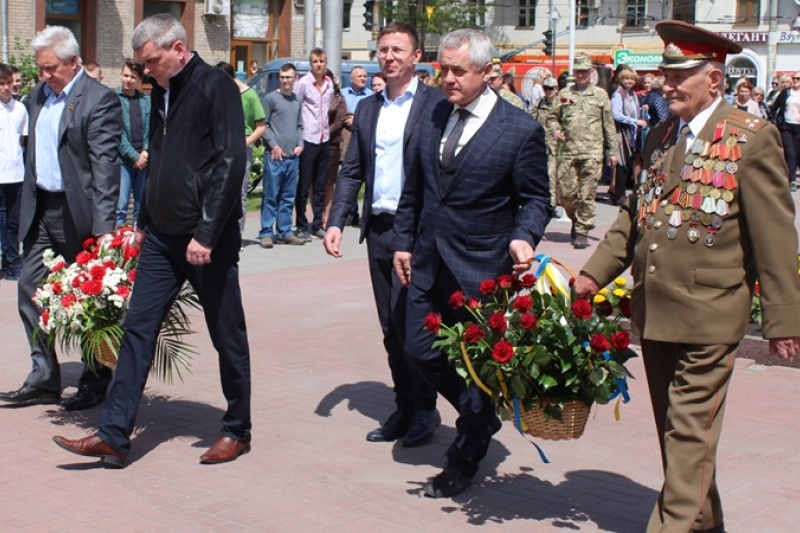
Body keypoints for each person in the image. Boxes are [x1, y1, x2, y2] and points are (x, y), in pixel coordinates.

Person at [574, 21, 800, 533]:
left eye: (680, 76)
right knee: (677, 438)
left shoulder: (750, 138)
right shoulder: (660, 135)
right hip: (656, 311)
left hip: (710, 316)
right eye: (665, 76)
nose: (667, 85)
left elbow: (776, 237)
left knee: (689, 434)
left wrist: (784, 320)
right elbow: (634, 218)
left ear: (715, 80)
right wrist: (592, 276)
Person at [53, 14, 251, 467]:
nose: (146, 71)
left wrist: (207, 231)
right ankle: (114, 436)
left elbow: (230, 164)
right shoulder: (161, 90)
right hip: (162, 238)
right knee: (138, 331)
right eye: (142, 64)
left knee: (227, 334)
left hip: (207, 241)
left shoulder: (213, 88)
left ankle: (237, 428)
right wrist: (143, 221)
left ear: (179, 48)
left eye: (152, 61)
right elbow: (156, 162)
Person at [391, 28, 551, 498]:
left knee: (478, 365)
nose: (448, 79)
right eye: (443, 69)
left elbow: (535, 199)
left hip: (482, 268)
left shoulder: (520, 130)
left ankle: (467, 451)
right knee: (417, 347)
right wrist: (403, 241)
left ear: (488, 72)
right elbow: (414, 187)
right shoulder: (434, 115)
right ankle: (477, 411)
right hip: (426, 261)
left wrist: (523, 238)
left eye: (459, 71)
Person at [324, 21, 442, 449]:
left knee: (414, 327)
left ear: (416, 57)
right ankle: (405, 406)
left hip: (419, 235)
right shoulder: (370, 108)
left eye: (397, 50)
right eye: (383, 50)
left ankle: (426, 408)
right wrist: (337, 219)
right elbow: (353, 169)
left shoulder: (435, 106)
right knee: (391, 327)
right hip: (379, 230)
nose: (388, 56)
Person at [0, 26, 122, 410]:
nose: (44, 75)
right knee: (29, 290)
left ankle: (96, 377)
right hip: (42, 212)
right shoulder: (38, 96)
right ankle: (44, 377)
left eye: (51, 68)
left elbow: (105, 168)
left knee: (88, 299)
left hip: (80, 216)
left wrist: (104, 229)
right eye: (40, 69)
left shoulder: (100, 100)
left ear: (73, 62)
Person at [547, 53, 618, 249]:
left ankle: (582, 231)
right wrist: (555, 130)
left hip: (592, 152)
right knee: (566, 194)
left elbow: (609, 125)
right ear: (574, 73)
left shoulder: (600, 95)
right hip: (569, 151)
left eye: (585, 71)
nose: (581, 75)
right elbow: (552, 118)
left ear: (591, 72)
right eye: (578, 71)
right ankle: (575, 218)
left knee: (587, 193)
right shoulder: (565, 95)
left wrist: (613, 151)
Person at [214, 61, 266, 237]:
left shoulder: (249, 95)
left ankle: (238, 233)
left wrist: (245, 142)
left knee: (239, 193)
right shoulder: (221, 94)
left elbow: (261, 126)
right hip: (222, 145)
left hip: (242, 146)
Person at [259, 63, 305, 247]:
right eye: (282, 77)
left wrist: (300, 144)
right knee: (271, 196)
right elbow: (263, 126)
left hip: (292, 157)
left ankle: (285, 230)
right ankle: (266, 232)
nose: (285, 80)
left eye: (289, 77)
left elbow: (299, 126)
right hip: (274, 157)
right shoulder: (270, 99)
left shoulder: (297, 100)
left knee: (288, 197)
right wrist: (273, 145)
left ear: (295, 79)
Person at [294, 47, 333, 241]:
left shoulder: (329, 83)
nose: (319, 65)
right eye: (315, 62)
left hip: (323, 137)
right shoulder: (303, 83)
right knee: (304, 183)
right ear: (311, 64)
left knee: (320, 183)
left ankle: (317, 223)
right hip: (308, 137)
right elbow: (296, 106)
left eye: (322, 61)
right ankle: (301, 223)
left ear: (326, 63)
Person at [0, 63, 28, 281]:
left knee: (13, 221)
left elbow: (23, 139)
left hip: (16, 173)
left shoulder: (20, 109)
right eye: (1, 84)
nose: (6, 88)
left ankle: (12, 261)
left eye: (8, 83)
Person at [115, 59, 150, 227]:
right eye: (126, 75)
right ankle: (118, 248)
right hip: (124, 161)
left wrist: (145, 151)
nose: (128, 80)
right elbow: (117, 133)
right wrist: (134, 156)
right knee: (120, 207)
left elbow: (152, 128)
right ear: (121, 75)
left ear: (139, 79)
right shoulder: (114, 99)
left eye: (133, 77)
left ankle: (136, 247)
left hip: (143, 160)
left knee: (140, 205)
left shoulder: (145, 100)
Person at [610, 67, 648, 205]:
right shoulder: (618, 94)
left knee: (628, 162)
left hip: (631, 133)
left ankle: (618, 193)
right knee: (621, 164)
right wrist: (635, 121)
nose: (629, 81)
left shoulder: (632, 94)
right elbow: (616, 114)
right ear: (621, 79)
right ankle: (618, 195)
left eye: (632, 79)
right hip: (621, 132)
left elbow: (634, 112)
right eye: (627, 78)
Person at [341, 66, 373, 228]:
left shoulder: (371, 96)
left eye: (365, 76)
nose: (363, 79)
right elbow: (339, 114)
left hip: (363, 140)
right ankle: (348, 212)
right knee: (346, 176)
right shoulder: (343, 94)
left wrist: (356, 120)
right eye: (360, 76)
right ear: (351, 79)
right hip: (344, 140)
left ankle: (360, 213)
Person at [322, 69, 347, 228]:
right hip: (313, 143)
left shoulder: (339, 98)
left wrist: (322, 134)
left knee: (329, 182)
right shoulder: (314, 95)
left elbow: (339, 123)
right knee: (313, 183)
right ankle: (317, 217)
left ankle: (327, 217)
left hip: (331, 143)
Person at [530, 76, 559, 210]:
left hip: (557, 145)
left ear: (556, 89)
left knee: (555, 175)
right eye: (546, 88)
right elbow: (531, 118)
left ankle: (554, 201)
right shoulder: (540, 103)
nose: (548, 91)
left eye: (551, 89)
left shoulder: (561, 104)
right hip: (542, 143)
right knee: (547, 173)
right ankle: (550, 202)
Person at [770, 70, 800, 192]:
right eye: (795, 78)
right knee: (790, 153)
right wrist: (775, 121)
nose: (796, 81)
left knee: (797, 152)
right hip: (786, 126)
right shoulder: (786, 93)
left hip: (799, 127)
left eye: (799, 79)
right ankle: (792, 179)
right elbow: (774, 108)